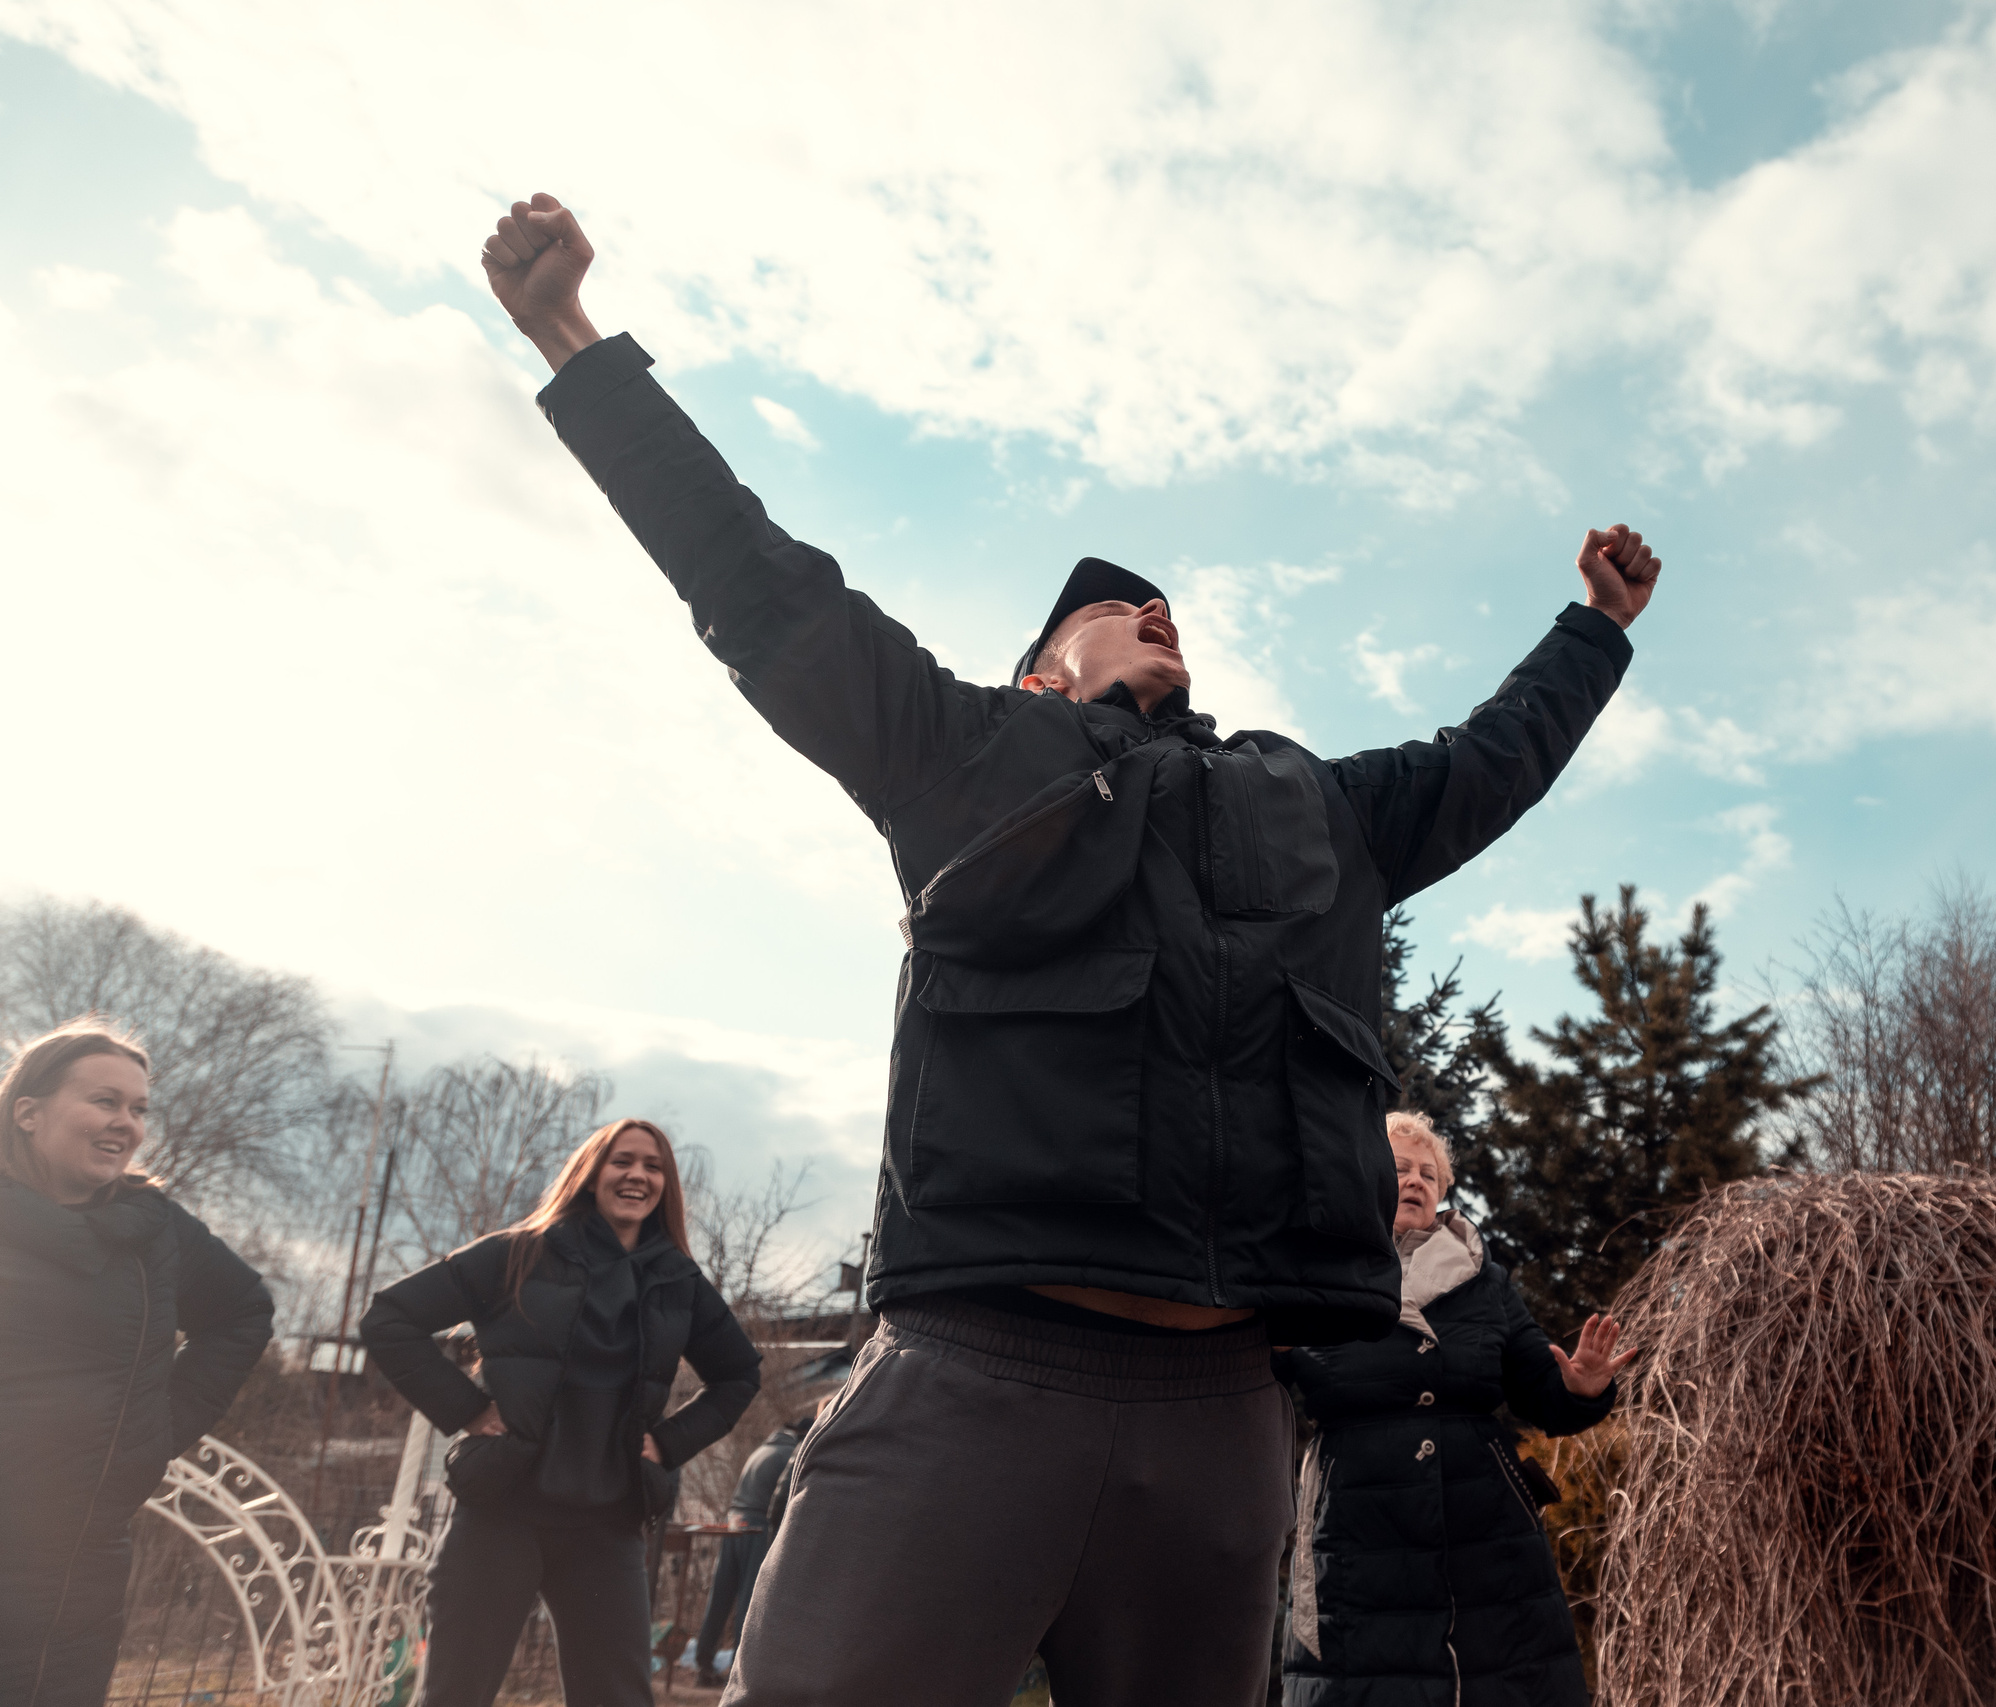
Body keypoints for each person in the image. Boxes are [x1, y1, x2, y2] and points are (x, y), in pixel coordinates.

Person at [479, 190, 1660, 1707]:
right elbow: (757, 582)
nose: (1156, 609)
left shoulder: (1311, 803)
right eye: (1117, 606)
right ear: (1041, 663)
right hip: (977, 1375)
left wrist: (1594, 627)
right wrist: (576, 341)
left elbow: (1485, 759)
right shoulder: (959, 749)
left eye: (1168, 605)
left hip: (1225, 1411)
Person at [362, 1119, 761, 1707]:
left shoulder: (679, 1283)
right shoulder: (518, 1253)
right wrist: (469, 1410)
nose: (637, 1175)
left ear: (666, 1187)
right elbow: (388, 1319)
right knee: (455, 1695)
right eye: (621, 1161)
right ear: (591, 1174)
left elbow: (739, 1374)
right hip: (502, 1513)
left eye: (653, 1167)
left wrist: (669, 1443)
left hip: (607, 1527)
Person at [1276, 1111, 1632, 1705]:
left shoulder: (1485, 1281)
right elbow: (1260, 1378)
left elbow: (1539, 1390)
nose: (1415, 1181)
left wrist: (1582, 1389)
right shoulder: (1312, 1271)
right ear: (1359, 1176)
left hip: (1486, 1530)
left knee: (1503, 1678)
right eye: (1397, 1169)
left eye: (1428, 1173)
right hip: (1357, 1526)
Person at [0, 1018, 274, 1707]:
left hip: (74, 1565)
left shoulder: (157, 1231)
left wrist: (148, 1431)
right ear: (28, 1111)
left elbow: (243, 1312)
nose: (126, 1122)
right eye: (104, 1101)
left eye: (138, 1108)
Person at [695, 1414, 813, 1687]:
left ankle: (703, 1664)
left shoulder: (762, 1449)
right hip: (757, 1527)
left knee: (720, 1597)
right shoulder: (790, 1453)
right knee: (750, 1601)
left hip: (734, 1522)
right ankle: (739, 1675)